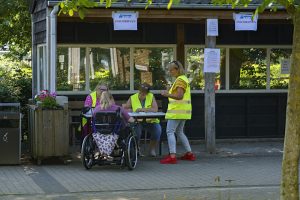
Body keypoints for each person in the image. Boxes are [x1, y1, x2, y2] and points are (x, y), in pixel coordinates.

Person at [160, 60, 196, 164]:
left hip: (176, 112)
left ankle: (172, 156)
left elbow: (179, 96)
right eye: (169, 70)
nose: (170, 72)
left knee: (170, 132)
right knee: (179, 132)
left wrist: (167, 94)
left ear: (177, 69)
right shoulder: (182, 79)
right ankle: (189, 154)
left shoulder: (180, 80)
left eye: (171, 70)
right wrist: (170, 90)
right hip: (183, 112)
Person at [123, 82, 162, 157]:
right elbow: (125, 107)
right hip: (137, 121)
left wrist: (143, 109)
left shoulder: (151, 96)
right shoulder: (133, 97)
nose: (141, 95)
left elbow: (155, 109)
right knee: (136, 133)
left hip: (150, 121)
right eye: (140, 92)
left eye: (144, 93)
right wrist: (129, 110)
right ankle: (137, 149)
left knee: (157, 130)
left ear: (147, 93)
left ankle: (152, 149)